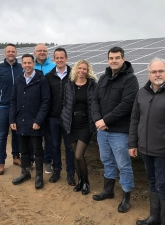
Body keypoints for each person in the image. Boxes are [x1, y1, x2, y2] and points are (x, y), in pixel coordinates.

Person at [128, 58, 165, 225]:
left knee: (163, 185)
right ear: (149, 74)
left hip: (164, 151)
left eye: (160, 71)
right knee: (152, 182)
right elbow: (135, 119)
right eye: (154, 72)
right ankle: (154, 217)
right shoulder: (142, 93)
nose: (157, 74)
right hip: (146, 149)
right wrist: (132, 143)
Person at [91, 46, 139, 213]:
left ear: (123, 59)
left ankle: (126, 197)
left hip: (119, 131)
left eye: (117, 58)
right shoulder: (103, 78)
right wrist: (97, 119)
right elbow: (95, 100)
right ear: (108, 60)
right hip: (102, 130)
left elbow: (126, 105)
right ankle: (108, 190)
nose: (114, 60)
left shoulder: (130, 79)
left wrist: (105, 120)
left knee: (123, 164)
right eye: (111, 58)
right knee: (107, 161)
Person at [10, 54, 50, 189]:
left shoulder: (41, 80)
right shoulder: (19, 79)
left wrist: (38, 120)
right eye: (24, 63)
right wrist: (12, 119)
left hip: (35, 123)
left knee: (38, 151)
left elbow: (46, 102)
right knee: (24, 150)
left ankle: (39, 176)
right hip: (21, 121)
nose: (27, 65)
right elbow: (13, 101)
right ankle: (25, 173)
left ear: (34, 64)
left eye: (29, 63)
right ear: (22, 65)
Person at [61, 60, 97, 195]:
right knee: (75, 156)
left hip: (85, 125)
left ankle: (86, 181)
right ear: (75, 70)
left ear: (88, 71)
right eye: (79, 68)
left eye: (84, 69)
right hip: (71, 124)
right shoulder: (69, 86)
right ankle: (80, 181)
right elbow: (65, 103)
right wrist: (64, 118)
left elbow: (95, 104)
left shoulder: (92, 85)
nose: (81, 71)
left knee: (79, 155)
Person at [0, 43, 22, 175]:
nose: (11, 53)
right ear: (5, 53)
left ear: (16, 53)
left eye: (13, 51)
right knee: (3, 135)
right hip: (3, 106)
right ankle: (1, 162)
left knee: (16, 134)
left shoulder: (21, 68)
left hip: (18, 107)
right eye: (8, 51)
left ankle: (16, 157)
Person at [45, 47, 76, 185]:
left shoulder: (74, 75)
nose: (59, 60)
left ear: (66, 58)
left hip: (70, 118)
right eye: (57, 58)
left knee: (69, 146)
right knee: (55, 145)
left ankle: (71, 173)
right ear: (54, 59)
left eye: (62, 57)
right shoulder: (49, 77)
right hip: (53, 117)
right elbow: (46, 98)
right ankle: (57, 170)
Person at [34, 43, 56, 174]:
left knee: (49, 137)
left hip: (50, 108)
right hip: (34, 108)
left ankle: (48, 161)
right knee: (34, 136)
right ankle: (34, 159)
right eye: (39, 51)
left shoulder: (53, 66)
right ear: (34, 52)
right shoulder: (30, 66)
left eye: (44, 50)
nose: (42, 52)